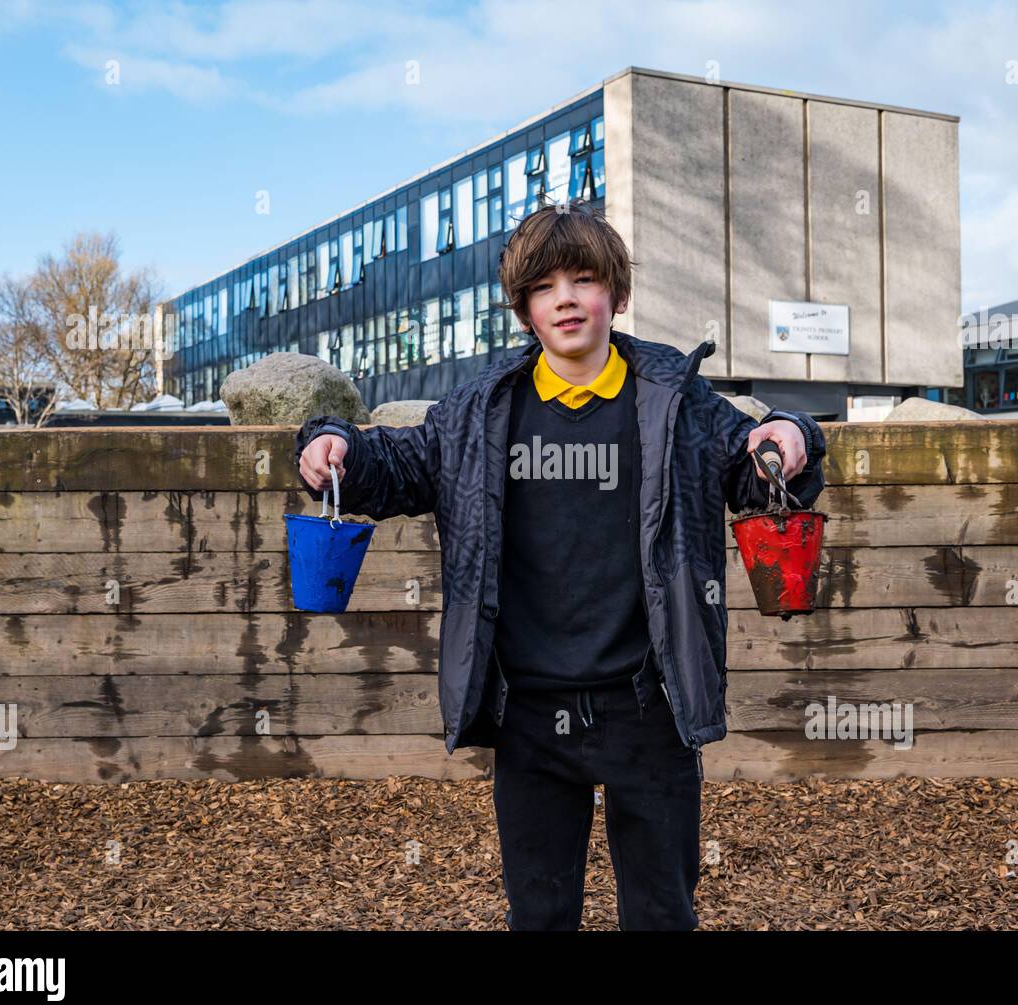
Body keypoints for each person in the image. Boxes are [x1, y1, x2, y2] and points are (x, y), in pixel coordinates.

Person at [294, 200, 826, 930]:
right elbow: (396, 465)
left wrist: (792, 432)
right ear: (524, 307)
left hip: (649, 704)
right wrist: (332, 443)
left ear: (617, 293)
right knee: (539, 915)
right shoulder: (480, 411)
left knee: (663, 911)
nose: (567, 299)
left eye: (584, 279)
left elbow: (751, 463)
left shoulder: (675, 402)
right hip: (530, 711)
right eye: (545, 287)